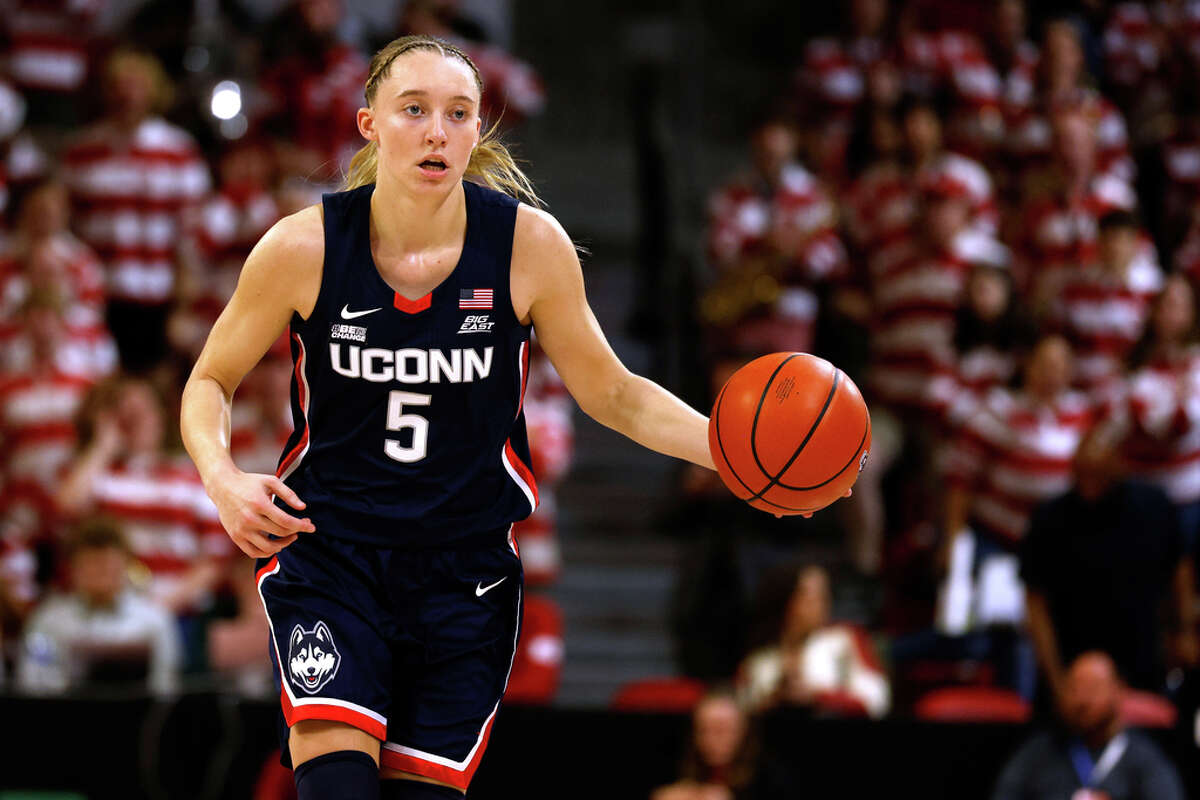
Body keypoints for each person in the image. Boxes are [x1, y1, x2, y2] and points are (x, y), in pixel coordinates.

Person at [180, 35, 830, 799]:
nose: (437, 132)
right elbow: (209, 380)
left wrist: (738, 458)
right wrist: (221, 479)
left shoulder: (528, 246)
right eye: (414, 110)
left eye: (459, 114)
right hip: (334, 556)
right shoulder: (304, 247)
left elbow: (614, 394)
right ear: (368, 124)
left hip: (466, 575)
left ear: (478, 130)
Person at [1022, 424, 1198, 698]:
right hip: (1074, 657)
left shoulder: (1153, 507)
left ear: (1118, 466)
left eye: (1097, 473)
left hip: (1141, 654)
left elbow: (1179, 568)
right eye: (1082, 472)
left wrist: (1184, 630)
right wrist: (1054, 677)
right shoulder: (1050, 518)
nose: (1088, 482)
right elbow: (1035, 601)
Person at [16, 519, 182, 696]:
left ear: (125, 565)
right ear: (73, 568)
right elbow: (33, 680)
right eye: (92, 565)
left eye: (108, 566)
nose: (101, 574)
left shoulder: (154, 621)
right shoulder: (48, 622)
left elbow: (166, 686)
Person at [991, 652, 1186, 800]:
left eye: (1092, 688)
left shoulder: (1144, 757)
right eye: (1074, 688)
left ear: (1118, 691)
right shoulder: (1037, 752)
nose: (1082, 700)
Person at [737, 565, 889, 718]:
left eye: (824, 596)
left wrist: (818, 697)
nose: (820, 605)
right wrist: (775, 700)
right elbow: (741, 710)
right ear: (788, 600)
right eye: (809, 596)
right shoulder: (759, 661)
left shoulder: (844, 640)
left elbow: (877, 699)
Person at [650, 688, 758, 800]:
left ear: (744, 731)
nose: (710, 739)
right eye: (703, 730)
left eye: (721, 730)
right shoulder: (684, 766)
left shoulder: (764, 778)